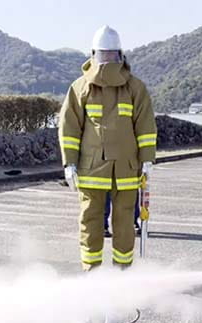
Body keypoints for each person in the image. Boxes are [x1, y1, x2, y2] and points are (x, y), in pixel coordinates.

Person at [59, 25, 157, 271]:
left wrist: (147, 160)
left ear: (121, 55)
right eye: (105, 56)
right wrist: (69, 163)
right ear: (93, 55)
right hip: (95, 169)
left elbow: (145, 126)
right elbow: (69, 129)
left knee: (123, 221)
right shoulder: (81, 88)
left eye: (111, 56)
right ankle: (93, 273)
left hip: (123, 169)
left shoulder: (135, 88)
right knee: (91, 219)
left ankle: (120, 272)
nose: (107, 62)